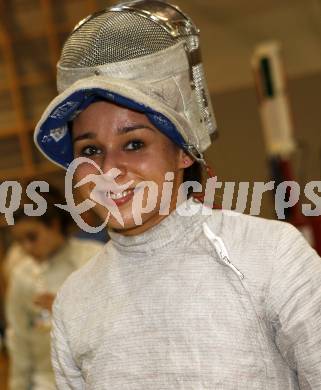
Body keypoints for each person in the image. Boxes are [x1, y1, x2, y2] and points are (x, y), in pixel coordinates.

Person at [34, 1, 321, 388]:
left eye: (134, 144)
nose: (109, 170)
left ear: (184, 152)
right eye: (90, 150)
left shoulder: (271, 256)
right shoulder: (75, 302)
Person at [6, 191, 103, 390]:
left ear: (54, 225)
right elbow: (19, 338)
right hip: (45, 381)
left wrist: (66, 310)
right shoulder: (22, 275)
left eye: (32, 237)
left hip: (95, 378)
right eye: (20, 241)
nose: (27, 247)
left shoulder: (93, 258)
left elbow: (115, 322)